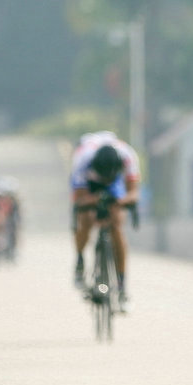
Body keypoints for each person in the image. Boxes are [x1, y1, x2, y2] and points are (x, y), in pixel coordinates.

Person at [69, 131, 142, 307]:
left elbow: (133, 193)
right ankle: (80, 259)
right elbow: (79, 200)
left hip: (116, 186)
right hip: (89, 184)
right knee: (85, 219)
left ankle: (122, 284)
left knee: (117, 225)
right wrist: (94, 201)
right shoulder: (82, 159)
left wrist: (119, 202)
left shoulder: (128, 156)